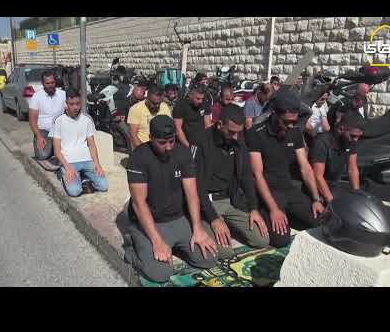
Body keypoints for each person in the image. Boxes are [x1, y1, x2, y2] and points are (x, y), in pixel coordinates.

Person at [125, 115, 218, 282]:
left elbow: (192, 194)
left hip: (177, 217)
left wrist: (197, 228)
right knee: (161, 274)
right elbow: (139, 203)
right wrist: (156, 240)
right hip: (150, 221)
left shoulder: (183, 152)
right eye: (162, 143)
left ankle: (174, 245)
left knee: (209, 258)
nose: (168, 147)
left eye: (171, 141)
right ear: (151, 138)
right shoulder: (139, 158)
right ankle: (133, 249)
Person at [245, 90, 326, 247]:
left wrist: (316, 199)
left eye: (293, 122)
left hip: (289, 189)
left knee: (322, 223)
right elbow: (257, 175)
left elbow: (306, 169)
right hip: (268, 192)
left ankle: (291, 214)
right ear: (274, 114)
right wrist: (274, 209)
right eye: (286, 121)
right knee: (281, 239)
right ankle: (275, 214)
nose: (290, 125)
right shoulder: (255, 133)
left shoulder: (294, 132)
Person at [195, 105, 269, 252]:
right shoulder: (201, 142)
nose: (235, 137)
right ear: (219, 124)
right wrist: (214, 219)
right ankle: (208, 225)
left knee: (262, 240)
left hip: (230, 199)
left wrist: (254, 208)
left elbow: (246, 176)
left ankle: (226, 225)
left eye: (238, 133)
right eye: (231, 132)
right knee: (224, 252)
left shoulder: (238, 140)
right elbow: (196, 187)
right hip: (207, 203)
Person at [50, 89, 108, 197]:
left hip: (86, 160)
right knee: (75, 191)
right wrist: (67, 167)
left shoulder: (87, 119)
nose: (75, 107)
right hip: (69, 162)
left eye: (78, 104)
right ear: (66, 104)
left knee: (103, 186)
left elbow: (91, 144)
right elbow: (56, 150)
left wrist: (96, 163)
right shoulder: (59, 121)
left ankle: (82, 178)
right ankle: (67, 178)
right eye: (72, 104)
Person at [310, 111, 365, 204]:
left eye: (359, 137)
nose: (356, 140)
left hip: (334, 185)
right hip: (316, 187)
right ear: (341, 129)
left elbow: (352, 168)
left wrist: (357, 196)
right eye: (353, 136)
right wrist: (332, 203)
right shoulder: (322, 142)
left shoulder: (351, 141)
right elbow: (317, 176)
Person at [28, 69, 66, 160]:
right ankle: (50, 146)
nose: (50, 85)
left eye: (52, 82)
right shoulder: (36, 96)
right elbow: (32, 120)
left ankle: (55, 147)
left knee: (68, 155)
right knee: (42, 156)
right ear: (43, 83)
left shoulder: (63, 94)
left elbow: (70, 112)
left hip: (60, 131)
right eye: (47, 83)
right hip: (44, 131)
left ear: (55, 82)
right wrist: (39, 137)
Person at [127, 85, 171, 149]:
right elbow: (133, 135)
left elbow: (169, 128)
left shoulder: (164, 107)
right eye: (153, 103)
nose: (157, 106)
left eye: (159, 103)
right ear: (147, 99)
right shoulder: (135, 109)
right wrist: (144, 151)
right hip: (144, 146)